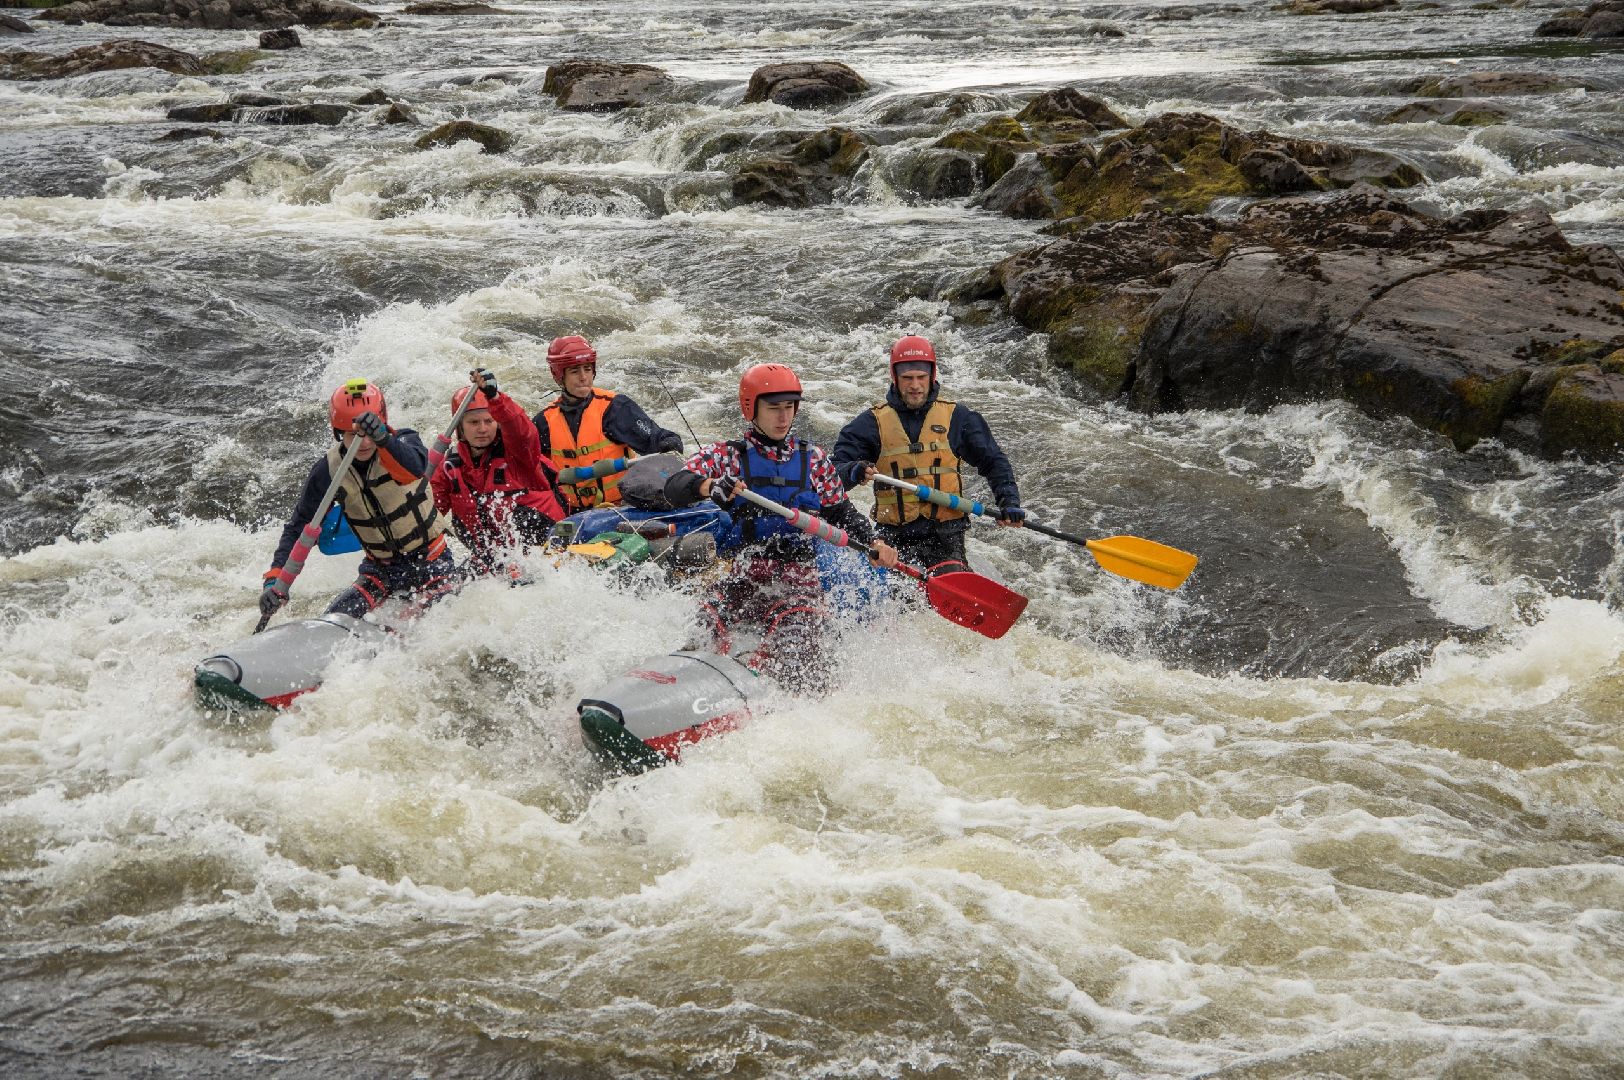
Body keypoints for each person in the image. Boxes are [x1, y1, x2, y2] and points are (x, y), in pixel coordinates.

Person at [660, 363, 898, 694]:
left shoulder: (813, 460)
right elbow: (674, 486)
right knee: (701, 632)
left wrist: (875, 541)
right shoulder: (728, 456)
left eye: (789, 407)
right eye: (773, 408)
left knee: (798, 657)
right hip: (743, 579)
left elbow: (843, 512)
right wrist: (709, 486)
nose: (783, 417)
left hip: (797, 584)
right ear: (750, 408)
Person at [261, 379, 456, 621]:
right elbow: (300, 525)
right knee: (332, 621)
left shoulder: (404, 441)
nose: (363, 443)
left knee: (415, 619)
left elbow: (416, 468)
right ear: (338, 432)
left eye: (367, 434)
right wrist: (274, 581)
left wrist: (383, 438)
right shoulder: (328, 471)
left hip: (431, 560)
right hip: (380, 570)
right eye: (353, 435)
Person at [832, 335, 1023, 574]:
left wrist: (1009, 502)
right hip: (894, 535)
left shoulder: (959, 418)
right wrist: (854, 471)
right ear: (895, 378)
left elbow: (993, 461)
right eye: (907, 378)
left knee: (949, 580)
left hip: (945, 534)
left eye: (921, 377)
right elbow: (831, 474)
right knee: (899, 595)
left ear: (932, 376)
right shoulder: (871, 423)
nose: (915, 385)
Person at [431, 368, 565, 578]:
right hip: (492, 559)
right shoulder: (449, 467)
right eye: (474, 422)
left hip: (544, 550)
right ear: (460, 428)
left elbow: (523, 432)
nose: (482, 429)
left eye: (489, 421)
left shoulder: (519, 454)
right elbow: (428, 514)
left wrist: (495, 398)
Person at [533, 335, 684, 512]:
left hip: (621, 509)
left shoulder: (616, 409)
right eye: (575, 371)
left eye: (587, 369)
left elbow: (658, 439)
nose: (583, 377)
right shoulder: (543, 422)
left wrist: (669, 443)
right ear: (559, 376)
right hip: (571, 514)